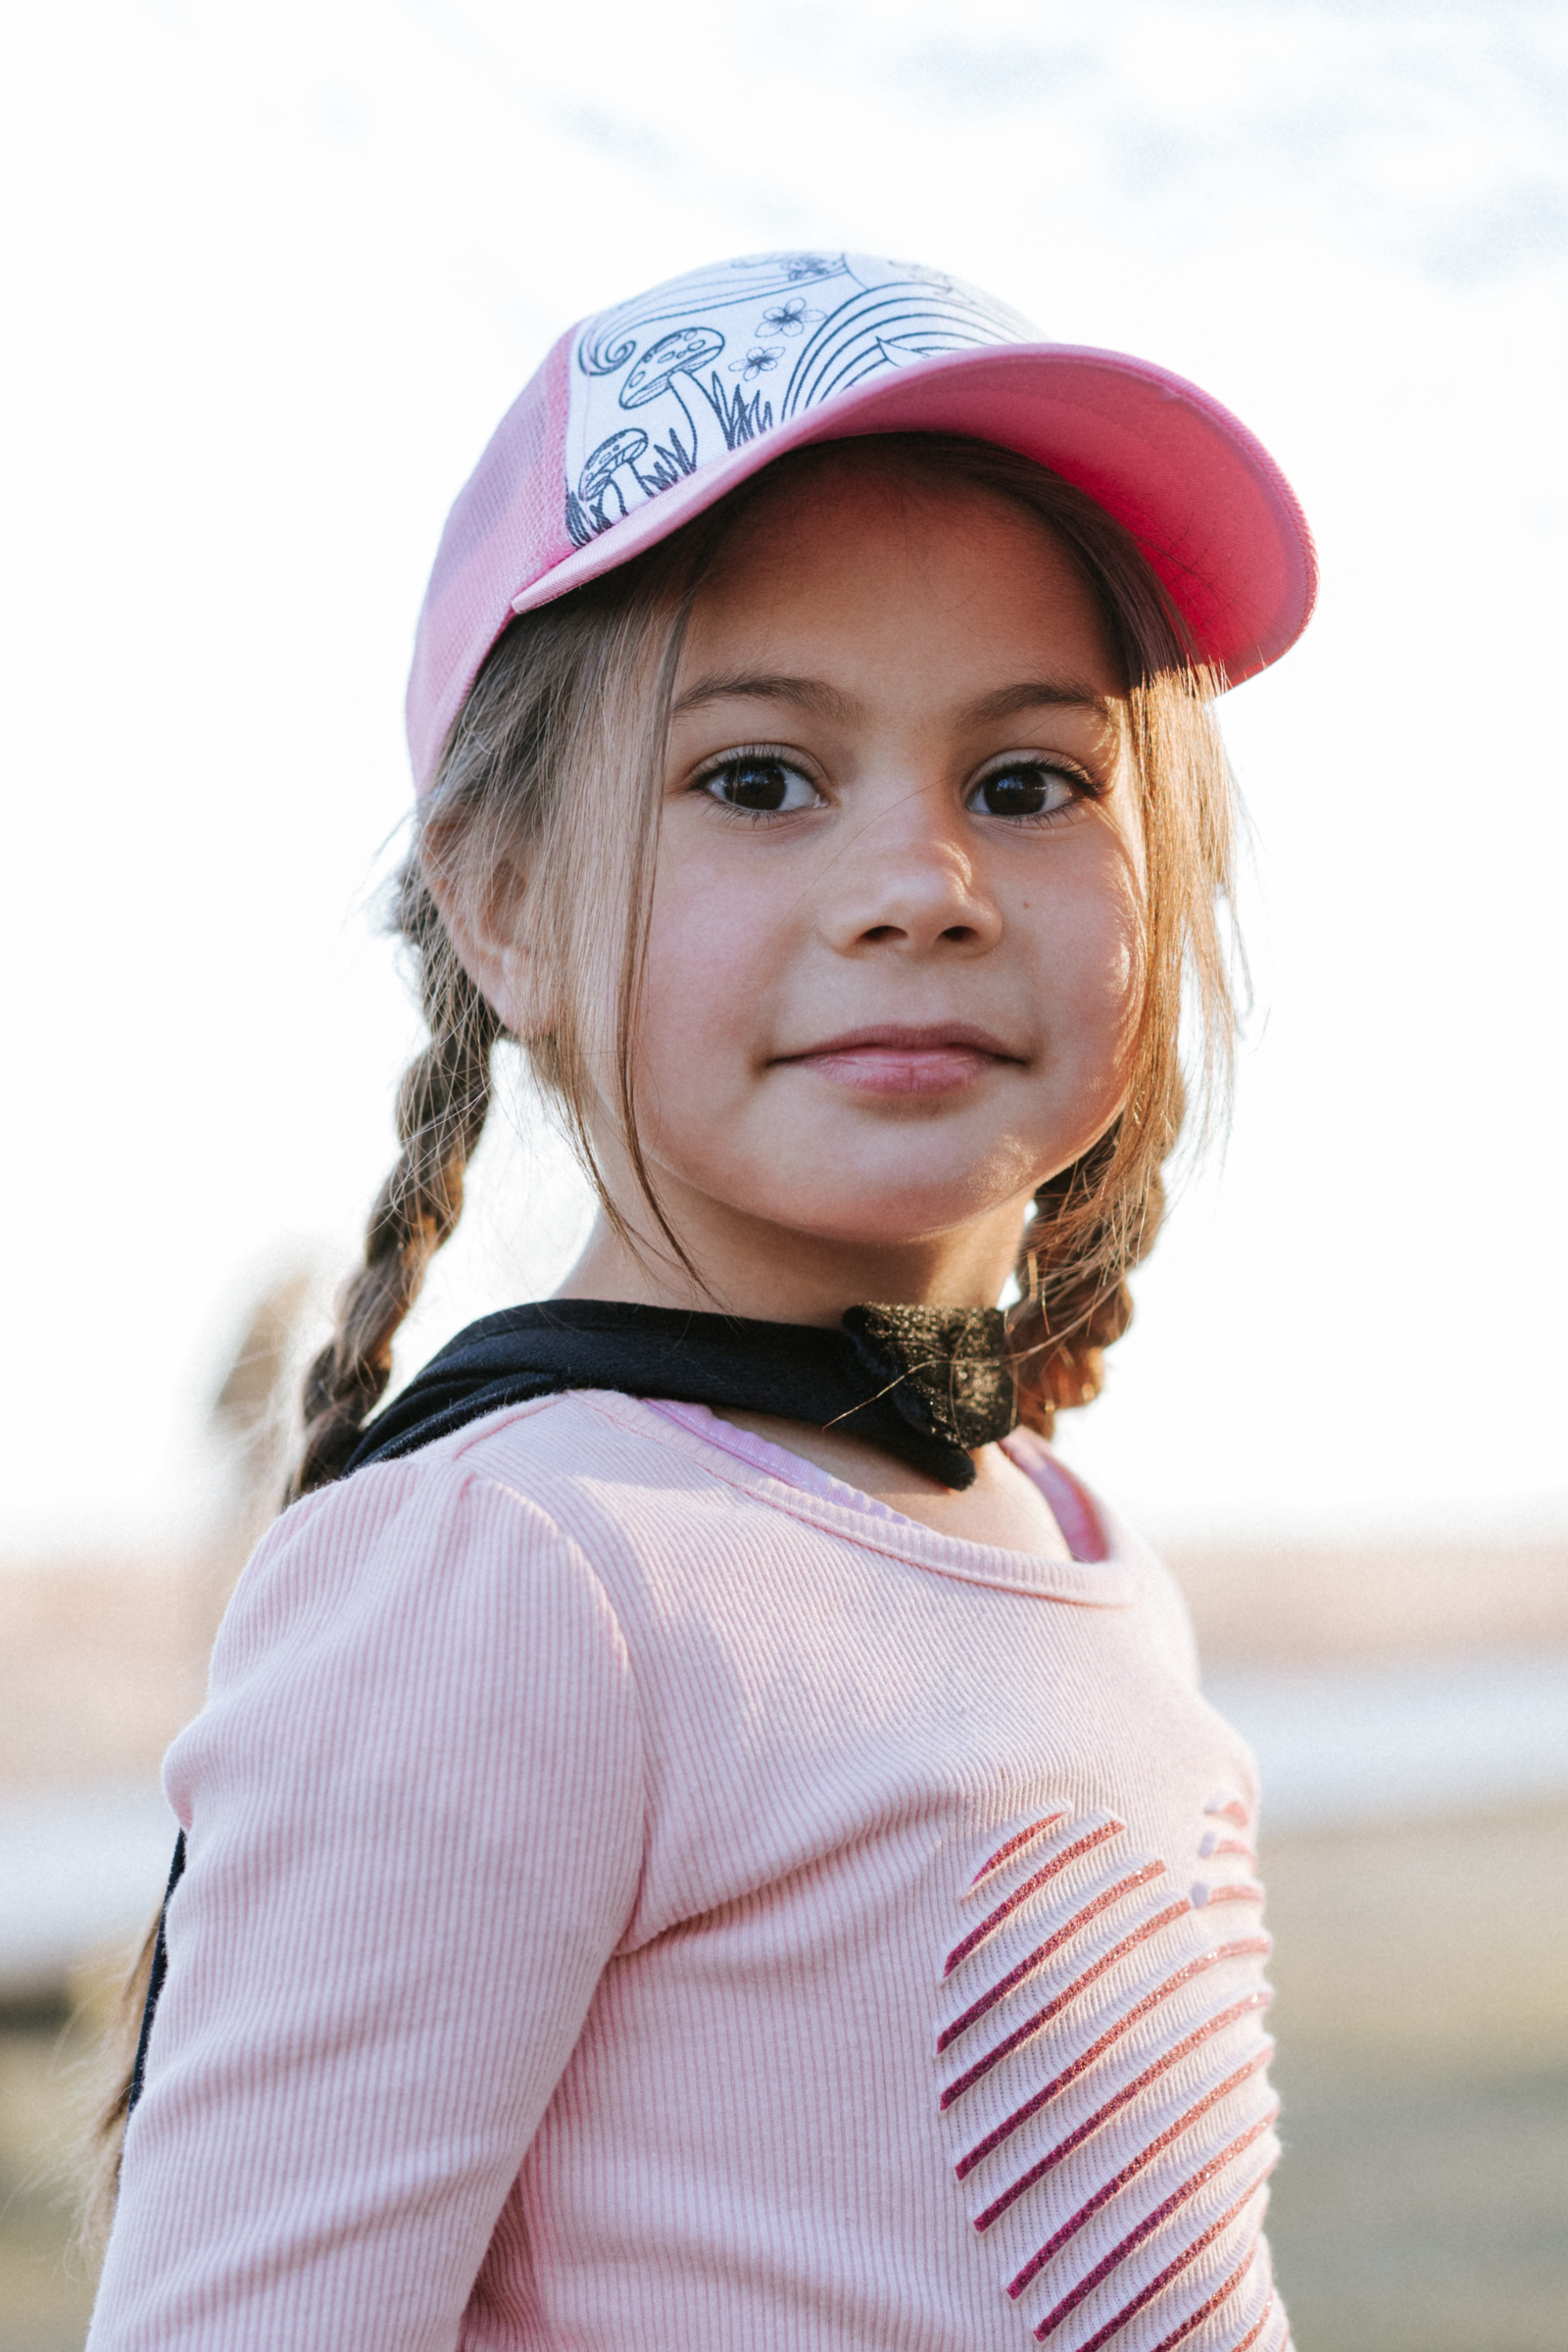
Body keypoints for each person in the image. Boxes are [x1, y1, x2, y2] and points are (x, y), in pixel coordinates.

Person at [87, 252, 1315, 2351]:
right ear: (498, 902)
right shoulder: (517, 1572)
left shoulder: (1068, 1541)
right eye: (757, 779)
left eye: (1027, 784)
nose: (918, 881)